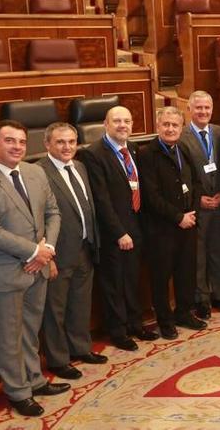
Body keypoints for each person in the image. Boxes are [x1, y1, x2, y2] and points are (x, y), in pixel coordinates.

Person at [0, 120, 67, 416]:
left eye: (21, 141)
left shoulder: (34, 172)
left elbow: (53, 213)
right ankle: (18, 392)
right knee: (8, 337)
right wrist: (35, 251)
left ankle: (34, 380)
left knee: (30, 330)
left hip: (38, 267)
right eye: (9, 140)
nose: (17, 146)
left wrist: (47, 251)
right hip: (2, 274)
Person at [80, 106, 159, 351]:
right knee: (114, 283)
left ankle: (135, 324)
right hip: (114, 232)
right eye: (117, 121)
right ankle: (118, 331)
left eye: (127, 121)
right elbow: (101, 200)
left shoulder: (132, 149)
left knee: (132, 279)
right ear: (106, 124)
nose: (122, 125)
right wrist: (119, 232)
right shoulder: (93, 154)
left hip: (136, 225)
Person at [37, 123, 106, 381]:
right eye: (60, 142)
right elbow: (38, 218)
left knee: (80, 304)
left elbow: (86, 207)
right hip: (59, 254)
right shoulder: (39, 173)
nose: (67, 147)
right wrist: (48, 256)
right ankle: (58, 359)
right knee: (55, 310)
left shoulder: (79, 167)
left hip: (85, 248)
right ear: (47, 145)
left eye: (71, 141)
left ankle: (81, 347)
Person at [139, 107, 206, 339]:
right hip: (162, 229)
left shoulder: (183, 149)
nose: (170, 129)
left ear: (181, 127)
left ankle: (184, 312)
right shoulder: (147, 154)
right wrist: (179, 217)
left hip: (188, 224)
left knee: (186, 272)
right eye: (166, 124)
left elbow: (196, 183)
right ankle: (165, 320)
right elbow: (151, 196)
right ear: (158, 126)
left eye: (175, 125)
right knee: (161, 277)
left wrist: (193, 213)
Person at [179, 91, 220, 318]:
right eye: (198, 108)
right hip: (197, 206)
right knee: (199, 255)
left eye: (207, 108)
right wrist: (198, 198)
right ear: (190, 110)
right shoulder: (181, 137)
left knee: (218, 252)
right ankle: (202, 299)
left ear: (212, 109)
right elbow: (181, 175)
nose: (203, 112)